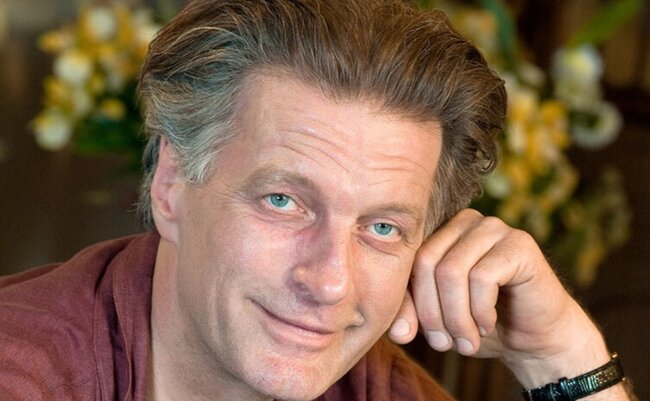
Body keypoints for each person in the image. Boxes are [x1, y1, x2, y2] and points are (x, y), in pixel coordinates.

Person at [0, 0, 637, 400]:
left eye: (382, 228)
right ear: (170, 183)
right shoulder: (24, 370)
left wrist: (561, 356)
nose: (330, 283)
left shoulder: (378, 389)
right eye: (283, 200)